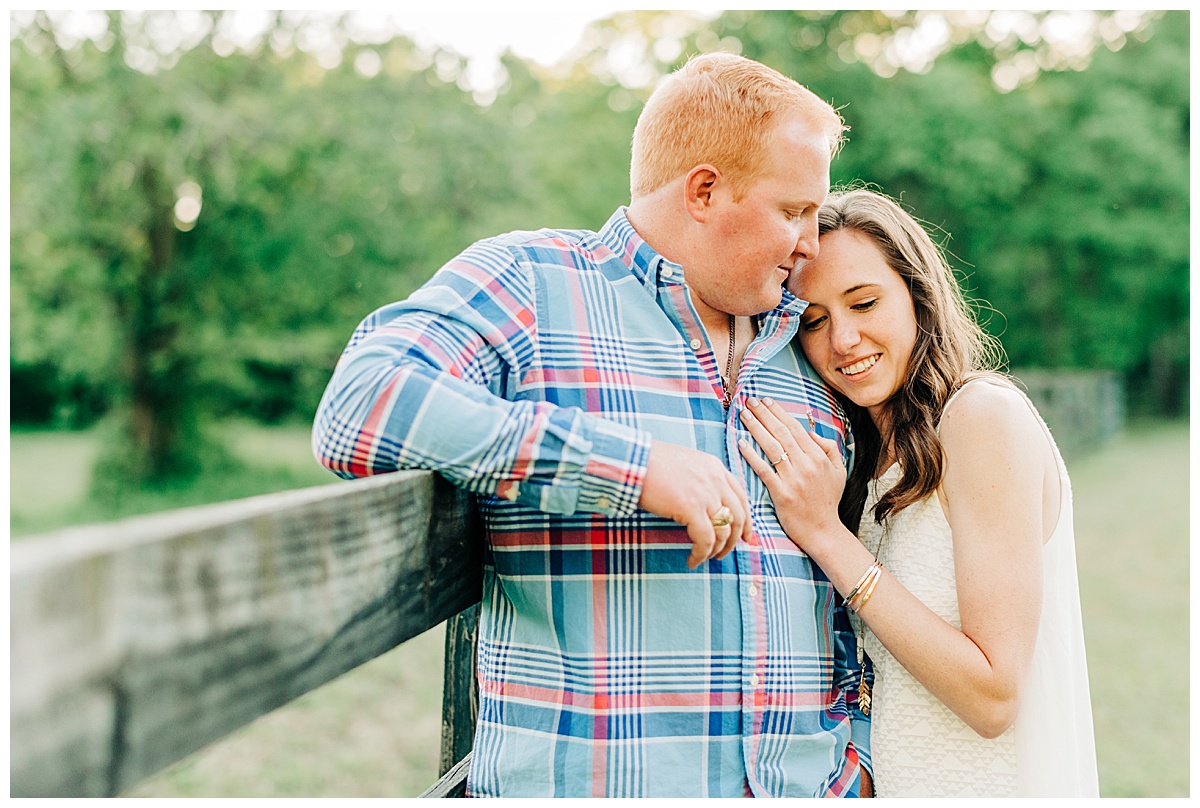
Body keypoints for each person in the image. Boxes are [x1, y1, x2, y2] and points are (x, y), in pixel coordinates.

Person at [312, 53, 876, 797]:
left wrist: (853, 764)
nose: (811, 242)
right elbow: (363, 402)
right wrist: (632, 469)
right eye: (793, 210)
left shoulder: (807, 342)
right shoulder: (532, 282)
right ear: (704, 190)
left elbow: (834, 596)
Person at [738, 188, 1099, 797]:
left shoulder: (982, 418)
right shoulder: (869, 461)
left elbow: (994, 696)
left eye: (864, 302)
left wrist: (826, 536)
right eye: (814, 321)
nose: (844, 340)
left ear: (917, 295)